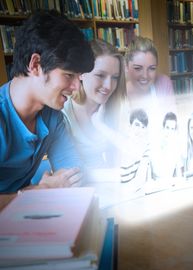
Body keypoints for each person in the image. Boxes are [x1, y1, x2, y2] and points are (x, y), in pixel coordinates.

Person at [0, 10, 94, 194]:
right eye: (69, 75)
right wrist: (38, 190)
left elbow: (73, 175)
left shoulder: (52, 117)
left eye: (79, 77)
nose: (77, 87)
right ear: (35, 65)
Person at [62, 38, 126, 181]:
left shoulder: (114, 106)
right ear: (81, 74)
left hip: (111, 184)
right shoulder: (63, 113)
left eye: (115, 77)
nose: (109, 86)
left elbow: (124, 155)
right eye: (100, 75)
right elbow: (69, 171)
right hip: (80, 190)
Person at [124, 35, 176, 132]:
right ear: (126, 67)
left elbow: (173, 125)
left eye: (151, 68)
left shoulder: (164, 83)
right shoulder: (118, 95)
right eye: (138, 68)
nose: (145, 76)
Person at [120, 108, 151, 192]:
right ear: (130, 127)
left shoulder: (146, 148)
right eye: (137, 125)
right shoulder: (121, 146)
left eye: (143, 127)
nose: (140, 130)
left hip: (133, 195)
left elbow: (139, 181)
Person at [151, 112, 184, 181]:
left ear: (175, 131)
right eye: (167, 128)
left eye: (172, 129)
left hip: (170, 187)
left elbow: (179, 176)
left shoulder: (176, 150)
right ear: (163, 128)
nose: (169, 132)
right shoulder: (153, 148)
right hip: (155, 187)